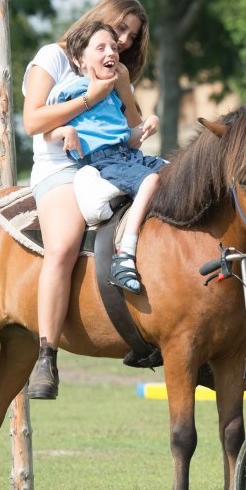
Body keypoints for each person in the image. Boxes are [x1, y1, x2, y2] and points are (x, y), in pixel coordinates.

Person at [22, 0, 150, 400]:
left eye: (131, 36)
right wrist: (89, 97)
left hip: (110, 162)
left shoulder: (113, 66)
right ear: (100, 18)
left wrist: (124, 88)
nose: (125, 41)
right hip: (62, 167)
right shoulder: (54, 58)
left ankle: (151, 331)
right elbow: (32, 120)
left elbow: (132, 125)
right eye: (120, 29)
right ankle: (47, 353)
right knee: (61, 246)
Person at [49, 20, 164, 296]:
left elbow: (126, 136)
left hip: (127, 157)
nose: (112, 52)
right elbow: (47, 130)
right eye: (101, 48)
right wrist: (65, 130)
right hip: (103, 162)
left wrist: (147, 125)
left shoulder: (112, 93)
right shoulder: (75, 89)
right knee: (151, 182)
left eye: (113, 47)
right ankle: (125, 251)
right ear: (79, 60)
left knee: (179, 173)